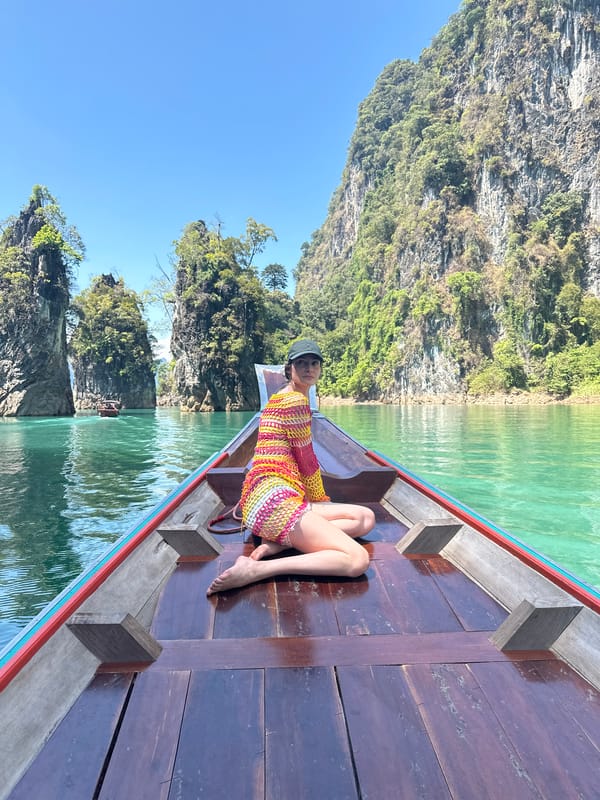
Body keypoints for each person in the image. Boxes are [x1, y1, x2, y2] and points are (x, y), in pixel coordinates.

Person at [207, 339, 375, 595]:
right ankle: (256, 570)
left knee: (365, 518)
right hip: (274, 503)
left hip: (264, 498)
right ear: (289, 369)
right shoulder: (295, 402)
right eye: (301, 363)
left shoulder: (280, 398)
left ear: (319, 369)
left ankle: (279, 545)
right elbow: (306, 462)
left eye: (314, 363)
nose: (309, 368)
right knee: (357, 560)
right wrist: (321, 500)